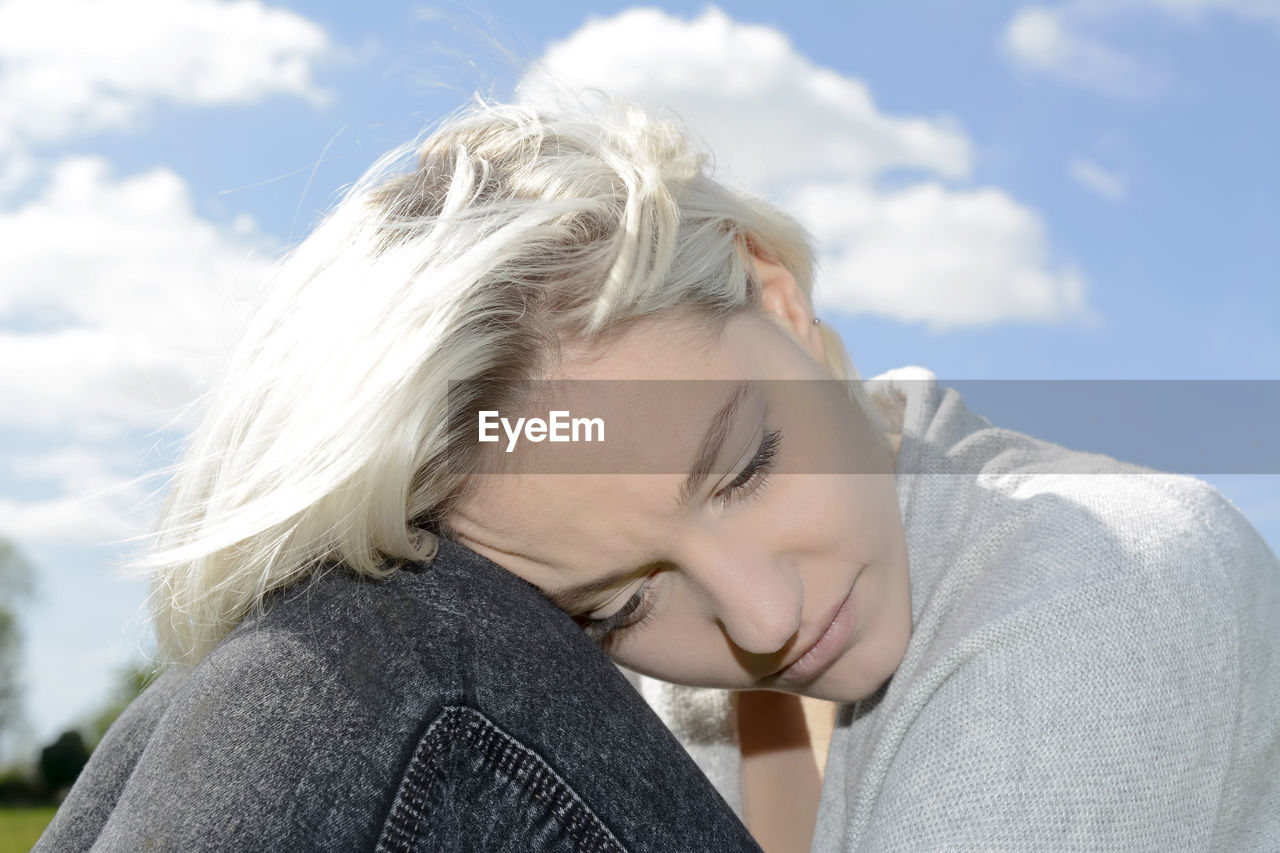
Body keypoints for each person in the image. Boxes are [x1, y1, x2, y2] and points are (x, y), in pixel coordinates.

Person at [38, 93, 1279, 852]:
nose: (760, 618)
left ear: (778, 297)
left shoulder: (1104, 588)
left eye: (742, 465)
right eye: (619, 606)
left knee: (381, 660)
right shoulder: (648, 719)